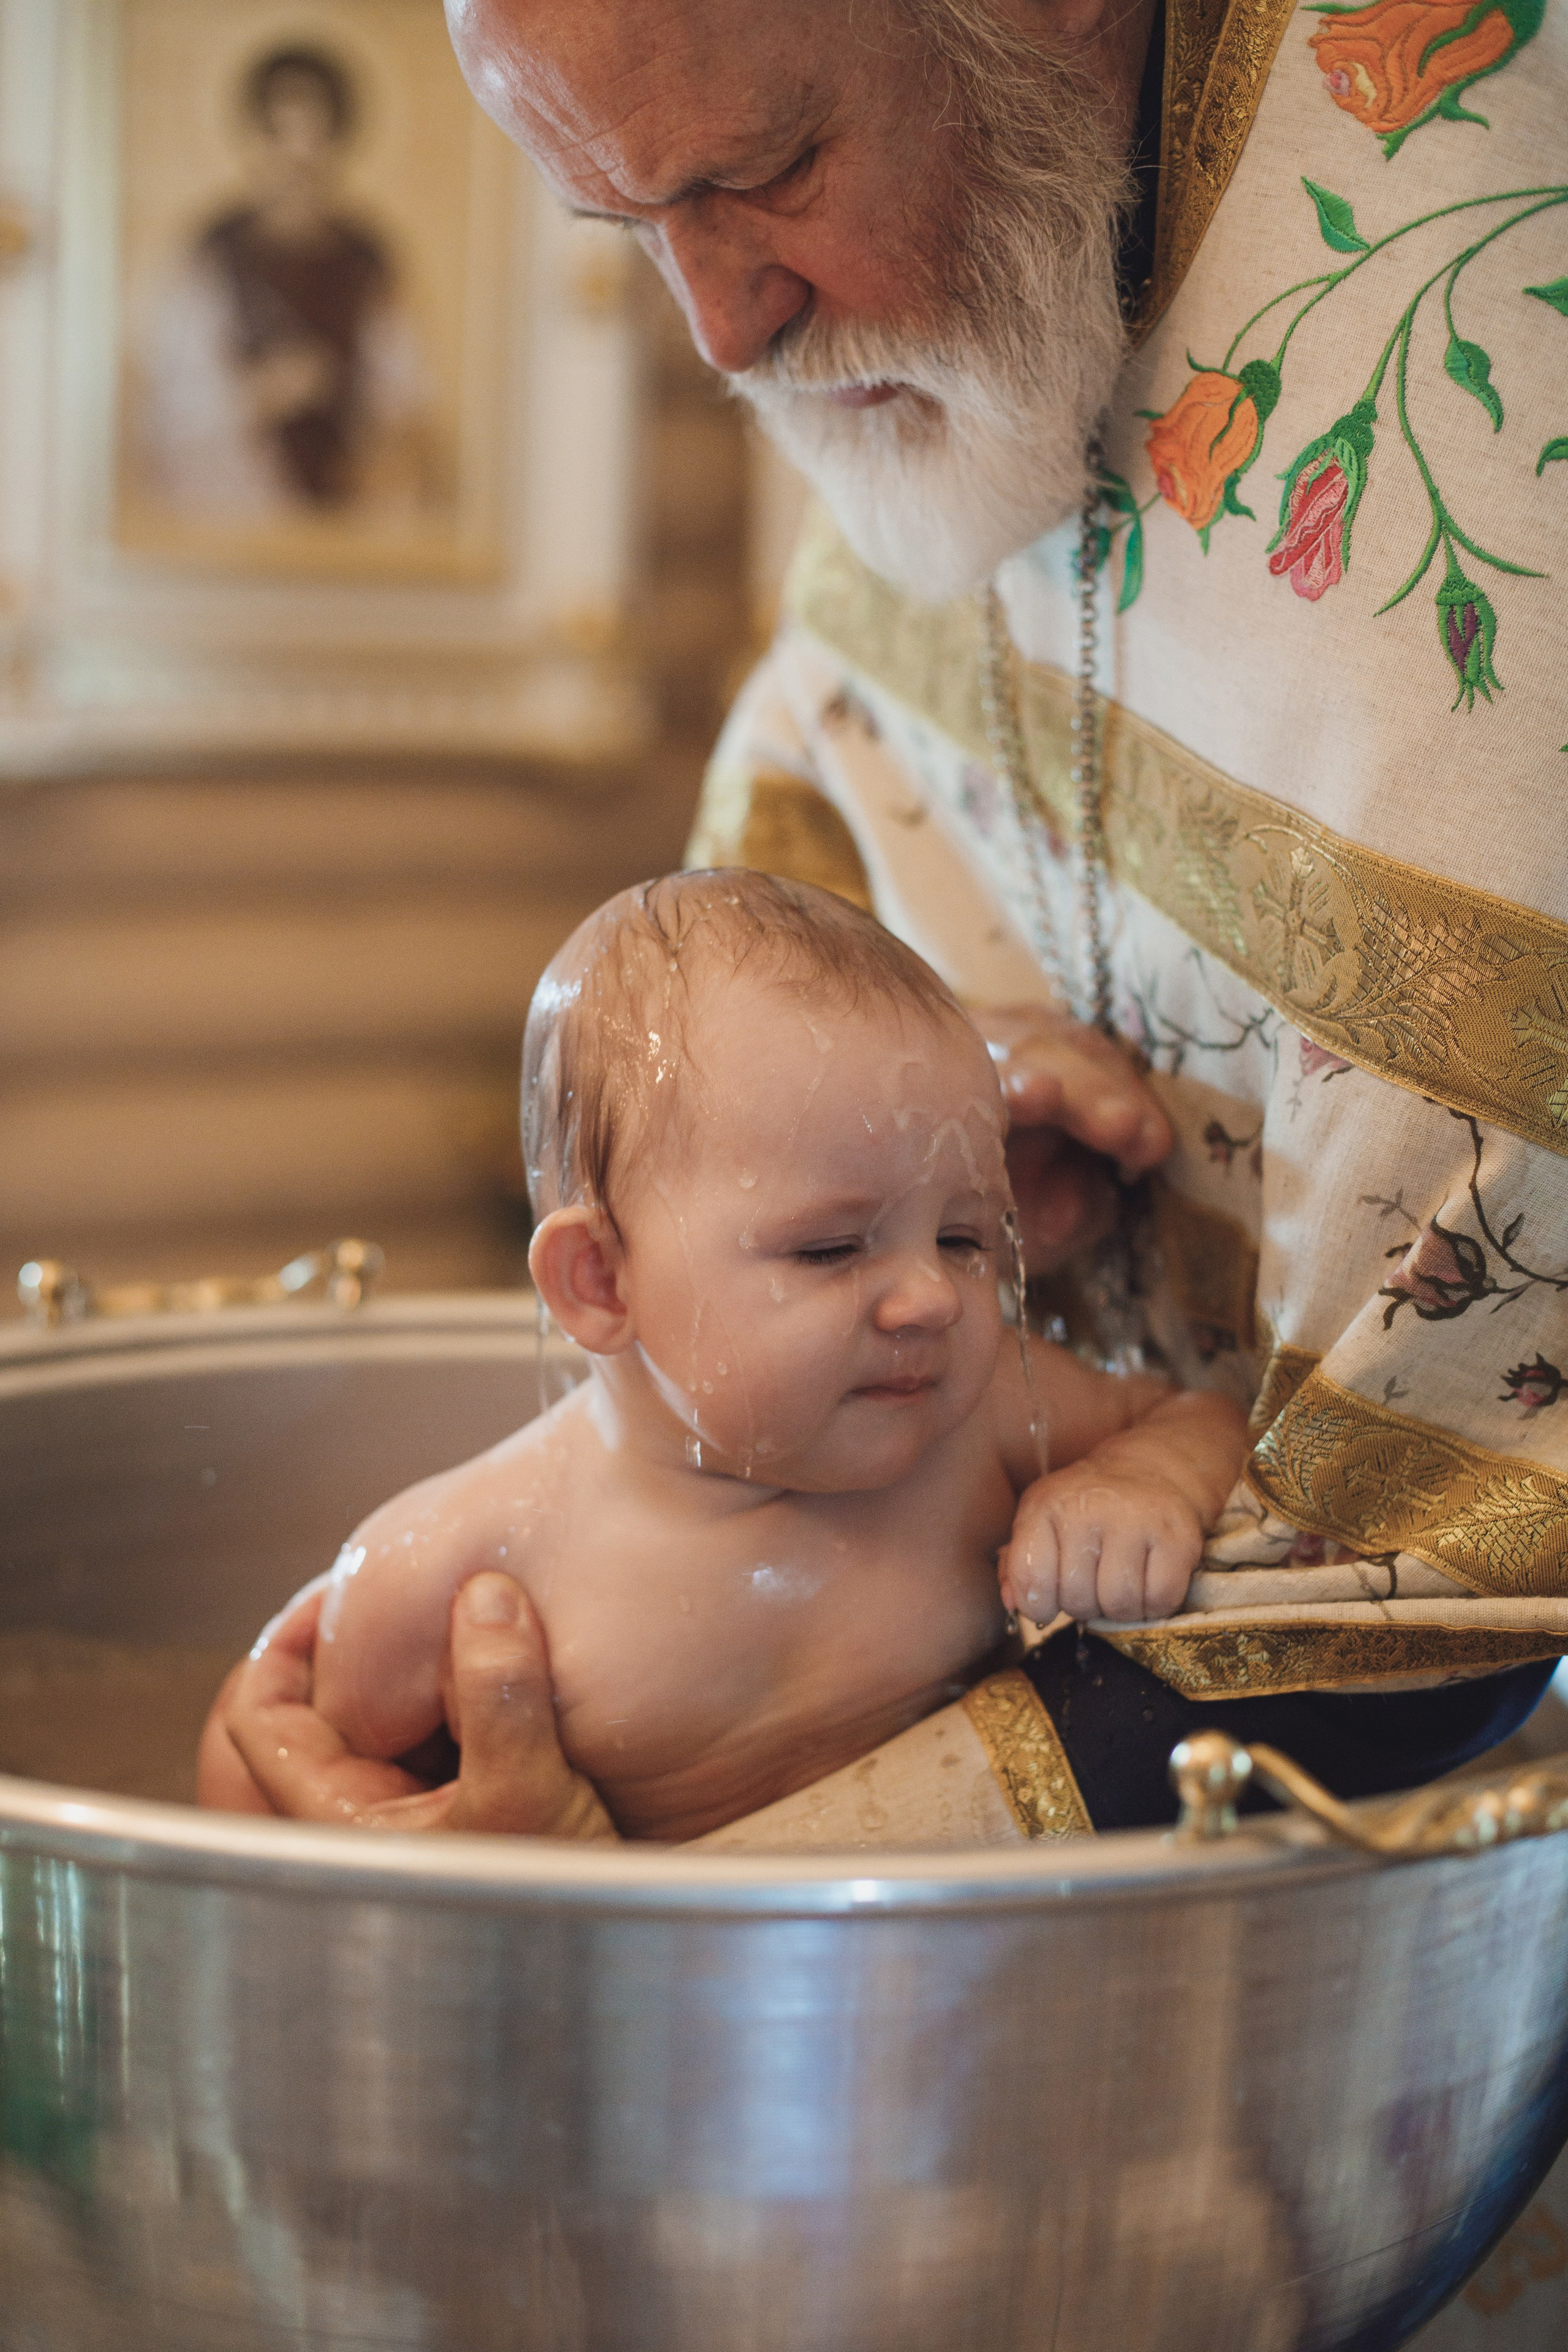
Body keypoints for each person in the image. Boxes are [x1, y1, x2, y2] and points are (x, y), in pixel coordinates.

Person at [221, 0, 1567, 1839]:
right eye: (632, 228)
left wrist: (620, 1916)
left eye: (760, 175)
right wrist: (931, 1104)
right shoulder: (916, 293)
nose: (717, 328)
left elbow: (1431, 1568)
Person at [199, 872, 1247, 1840]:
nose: (932, 1296)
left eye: (966, 1236)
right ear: (600, 1283)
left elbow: (1196, 1415)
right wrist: (391, 1842)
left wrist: (1138, 1479)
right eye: (833, 1248)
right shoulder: (463, 1564)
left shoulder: (973, 1430)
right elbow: (269, 1766)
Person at [135, 43, 437, 520]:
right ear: (255, 136)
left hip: (344, 509)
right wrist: (259, 394)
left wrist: (378, 440)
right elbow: (170, 406)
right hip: (230, 502)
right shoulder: (213, 251)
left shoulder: (365, 257)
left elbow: (403, 392)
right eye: (281, 133)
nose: (300, 154)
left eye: (318, 135)